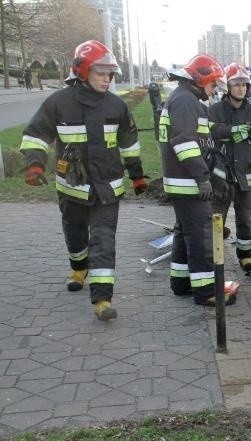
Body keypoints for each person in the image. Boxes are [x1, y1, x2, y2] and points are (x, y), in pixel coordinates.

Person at [19, 40, 148, 321]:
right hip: (72, 187)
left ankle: (102, 298)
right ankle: (78, 268)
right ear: (83, 70)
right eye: (101, 72)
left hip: (107, 188)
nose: (107, 79)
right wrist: (35, 166)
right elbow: (35, 136)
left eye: (110, 74)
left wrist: (137, 176)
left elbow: (130, 145)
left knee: (104, 240)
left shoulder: (116, 106)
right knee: (75, 233)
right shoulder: (58, 102)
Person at [159, 54, 236, 306]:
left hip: (181, 181)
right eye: (213, 84)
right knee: (201, 235)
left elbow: (202, 139)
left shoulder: (185, 99)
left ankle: (181, 282)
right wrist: (203, 178)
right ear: (200, 79)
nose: (214, 90)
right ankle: (206, 292)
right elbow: (184, 142)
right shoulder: (185, 101)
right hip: (189, 182)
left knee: (185, 233)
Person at [208, 63, 251, 272]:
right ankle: (214, 258)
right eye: (236, 84)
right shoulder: (215, 110)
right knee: (216, 218)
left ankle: (245, 257)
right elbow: (208, 131)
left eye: (244, 85)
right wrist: (232, 130)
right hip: (221, 175)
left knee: (245, 219)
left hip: (246, 174)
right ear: (227, 86)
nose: (241, 89)